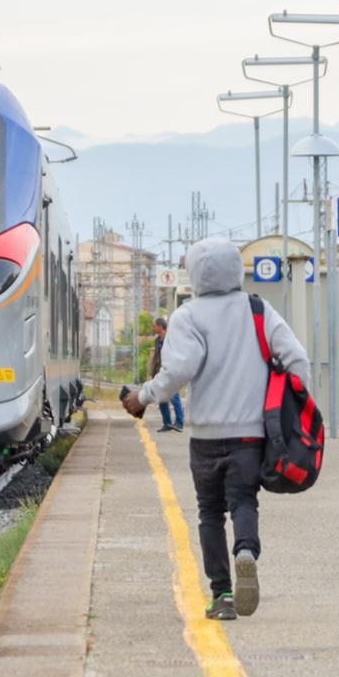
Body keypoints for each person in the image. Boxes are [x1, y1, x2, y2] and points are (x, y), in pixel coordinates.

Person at [123, 236, 309, 622]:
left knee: (209, 512)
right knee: (243, 501)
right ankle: (246, 551)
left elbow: (178, 371)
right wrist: (294, 409)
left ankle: (222, 594)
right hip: (250, 435)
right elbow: (297, 359)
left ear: (193, 273)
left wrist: (144, 396)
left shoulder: (187, 315)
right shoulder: (258, 308)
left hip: (206, 435)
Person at [147, 316, 185, 432]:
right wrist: (153, 373)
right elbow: (156, 358)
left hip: (172, 372)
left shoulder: (171, 338)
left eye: (154, 325)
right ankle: (167, 423)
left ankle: (179, 422)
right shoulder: (157, 340)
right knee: (162, 397)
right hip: (161, 372)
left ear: (160, 326)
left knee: (174, 397)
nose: (153, 328)